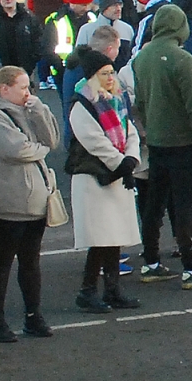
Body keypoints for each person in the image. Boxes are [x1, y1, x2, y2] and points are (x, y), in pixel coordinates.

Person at [132, 4, 192, 288]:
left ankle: (151, 261)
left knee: (153, 205)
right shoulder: (182, 59)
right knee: (184, 208)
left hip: (156, 143)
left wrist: (150, 130)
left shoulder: (142, 58)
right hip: (184, 144)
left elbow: (140, 102)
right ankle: (190, 267)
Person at [0, 66, 59, 343]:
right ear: (4, 89)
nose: (27, 93)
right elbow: (17, 149)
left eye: (29, 87)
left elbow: (52, 139)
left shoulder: (28, 110)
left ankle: (33, 316)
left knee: (31, 262)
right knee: (2, 262)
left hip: (34, 202)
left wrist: (39, 110)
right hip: (5, 204)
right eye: (23, 88)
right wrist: (41, 149)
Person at [64, 48, 143, 314]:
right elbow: (93, 140)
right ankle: (87, 291)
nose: (110, 78)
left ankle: (112, 290)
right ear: (92, 77)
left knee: (114, 237)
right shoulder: (81, 104)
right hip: (93, 178)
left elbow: (130, 130)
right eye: (104, 74)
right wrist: (121, 163)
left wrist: (130, 159)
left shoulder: (116, 100)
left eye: (111, 72)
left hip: (116, 175)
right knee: (99, 239)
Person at [0, 0, 44, 85]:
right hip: (1, 71)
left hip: (25, 70)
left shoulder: (28, 17)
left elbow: (38, 40)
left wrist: (31, 62)